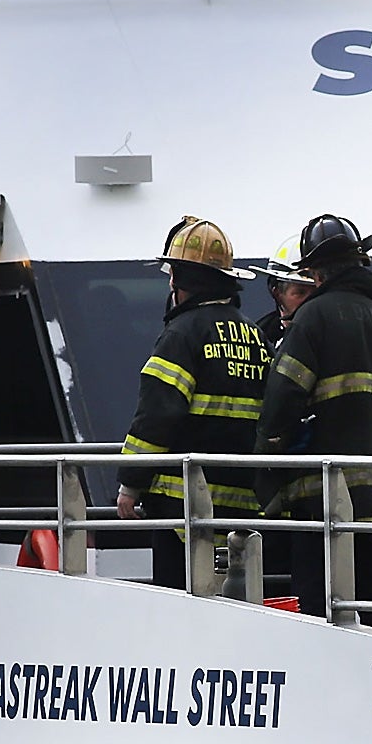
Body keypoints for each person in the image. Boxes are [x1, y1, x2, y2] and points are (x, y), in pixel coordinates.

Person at [256, 212, 372, 631]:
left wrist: (268, 474)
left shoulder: (313, 319)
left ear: (315, 271)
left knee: (320, 612)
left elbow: (281, 403)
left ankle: (326, 692)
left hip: (320, 502)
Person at [114, 216, 267, 590]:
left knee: (179, 614)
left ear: (182, 282)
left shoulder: (181, 334)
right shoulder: (256, 335)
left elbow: (157, 414)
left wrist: (130, 484)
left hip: (181, 507)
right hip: (242, 507)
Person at [254, 234, 314, 353]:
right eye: (301, 292)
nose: (311, 301)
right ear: (277, 293)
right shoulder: (259, 338)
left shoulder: (334, 336)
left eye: (317, 292)